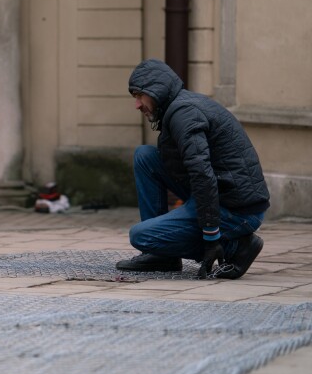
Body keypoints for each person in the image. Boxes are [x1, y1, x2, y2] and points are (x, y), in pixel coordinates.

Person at [116, 58, 270, 279]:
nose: (137, 104)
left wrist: (211, 236)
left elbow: (202, 174)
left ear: (156, 91)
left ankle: (238, 247)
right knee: (145, 156)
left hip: (237, 210)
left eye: (140, 95)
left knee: (140, 235)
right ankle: (161, 256)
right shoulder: (179, 107)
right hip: (221, 194)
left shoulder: (183, 113)